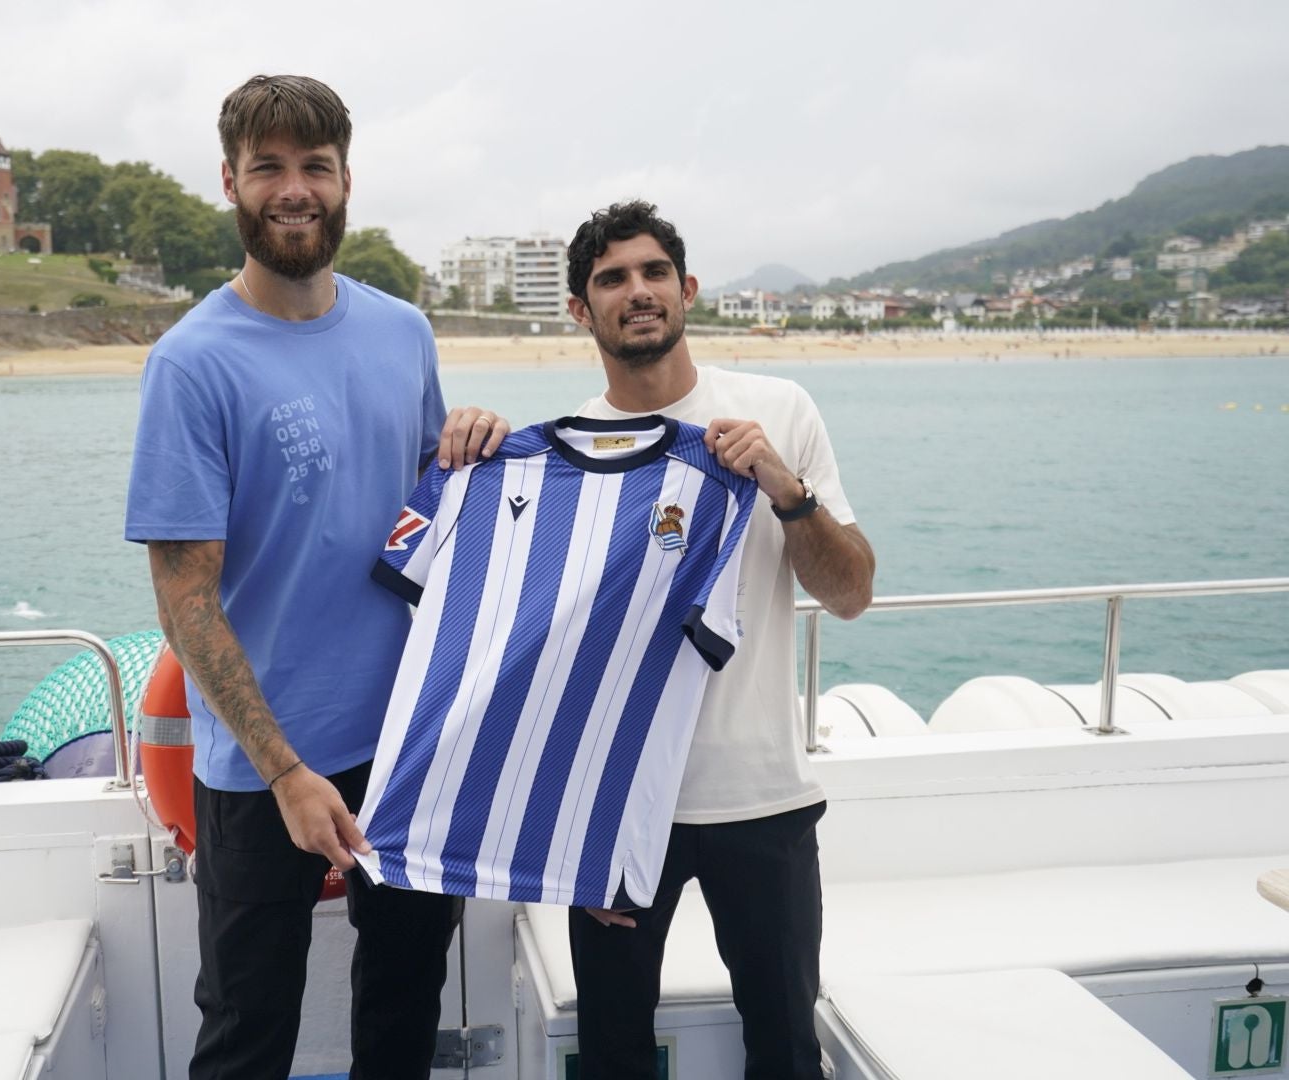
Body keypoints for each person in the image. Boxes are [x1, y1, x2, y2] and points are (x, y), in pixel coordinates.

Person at [125, 74, 509, 1080]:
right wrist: (283, 770)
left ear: (344, 182)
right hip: (259, 767)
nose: (292, 190)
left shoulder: (403, 333)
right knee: (247, 1025)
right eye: (268, 169)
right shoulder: (192, 363)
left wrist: (475, 444)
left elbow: (435, 520)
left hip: (406, 744)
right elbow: (184, 599)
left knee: (401, 1006)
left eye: (313, 167)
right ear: (230, 183)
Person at [562, 200, 876, 1080]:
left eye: (654, 271)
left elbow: (850, 593)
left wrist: (787, 487)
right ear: (582, 312)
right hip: (624, 813)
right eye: (613, 279)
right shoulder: (570, 453)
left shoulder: (779, 409)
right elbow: (557, 661)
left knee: (784, 1047)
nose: (639, 292)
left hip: (763, 801)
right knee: (614, 1053)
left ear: (688, 288)